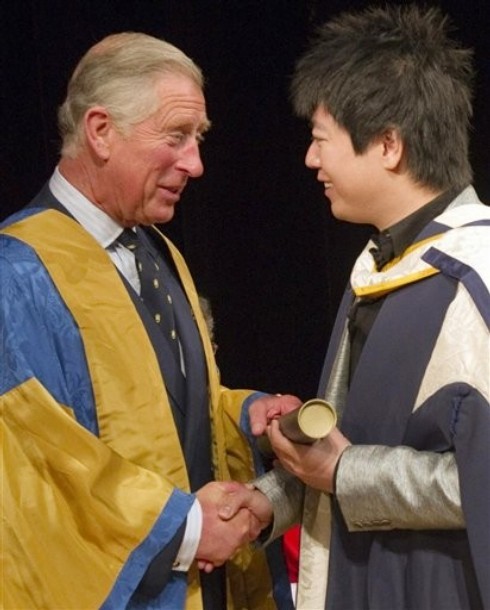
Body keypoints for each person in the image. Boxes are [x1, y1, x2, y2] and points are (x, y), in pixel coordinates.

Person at [0, 32, 301, 610]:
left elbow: (164, 416)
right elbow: (38, 463)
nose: (195, 163)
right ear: (100, 131)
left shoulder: (158, 252)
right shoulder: (18, 274)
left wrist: (244, 414)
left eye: (198, 138)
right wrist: (185, 528)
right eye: (176, 136)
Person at [222, 5, 490, 609]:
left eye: (322, 140)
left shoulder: (475, 276)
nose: (311, 160)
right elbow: (347, 447)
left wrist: (347, 472)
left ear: (388, 144)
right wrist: (270, 499)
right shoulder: (383, 266)